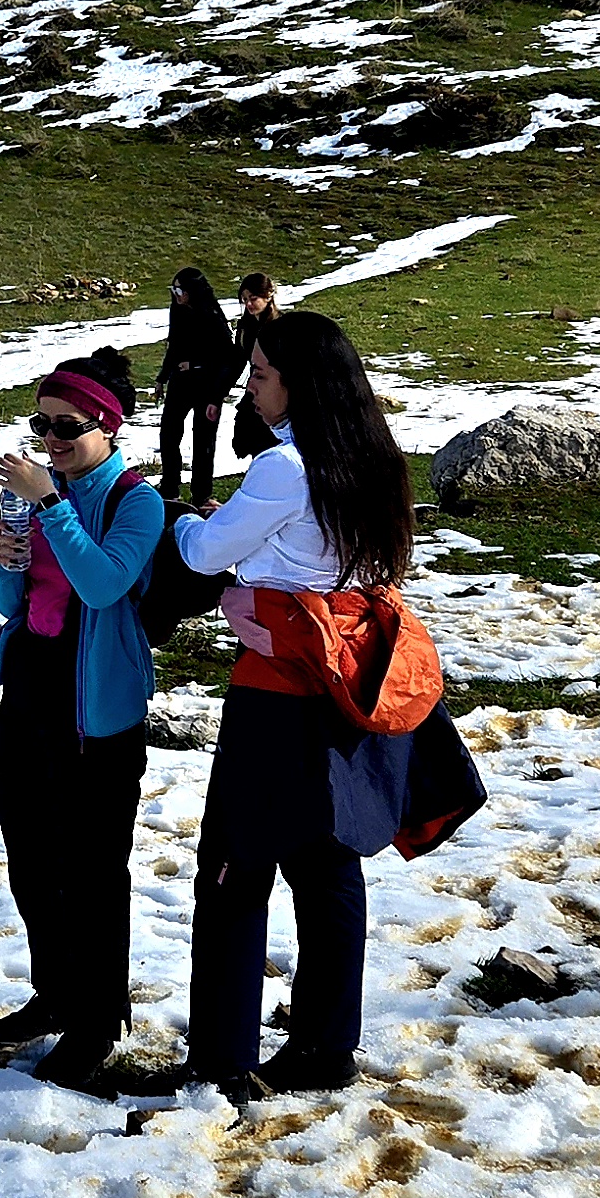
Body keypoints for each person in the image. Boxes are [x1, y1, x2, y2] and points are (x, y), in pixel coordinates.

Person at [170, 308, 419, 1099]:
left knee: (234, 867)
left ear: (301, 384)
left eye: (265, 373)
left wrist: (190, 524)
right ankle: (324, 1044)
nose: (252, 384)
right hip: (341, 679)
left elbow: (210, 554)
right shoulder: (371, 459)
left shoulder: (284, 466)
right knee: (326, 863)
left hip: (275, 687)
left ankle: (222, 1055)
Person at [0, 352, 164, 1090]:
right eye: (41, 424)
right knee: (31, 858)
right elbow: (8, 601)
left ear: (109, 427)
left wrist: (49, 504)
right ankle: (56, 994)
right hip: (32, 684)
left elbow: (104, 582)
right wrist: (5, 555)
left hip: (99, 706)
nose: (51, 438)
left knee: (91, 870)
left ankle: (97, 1020)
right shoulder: (37, 493)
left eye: (68, 426)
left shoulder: (133, 501)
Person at [155, 269, 234, 506]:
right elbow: (174, 346)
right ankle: (170, 488)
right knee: (168, 433)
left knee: (203, 440)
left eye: (180, 290)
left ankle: (202, 494)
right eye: (174, 289)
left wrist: (197, 366)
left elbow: (225, 356)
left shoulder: (211, 315)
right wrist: (162, 378)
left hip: (207, 385)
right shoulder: (177, 311)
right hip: (180, 382)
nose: (177, 295)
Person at [228, 273, 280, 458]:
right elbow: (237, 359)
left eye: (253, 298)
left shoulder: (279, 326)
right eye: (244, 300)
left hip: (276, 390)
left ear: (267, 296)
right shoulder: (244, 326)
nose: (249, 304)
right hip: (255, 387)